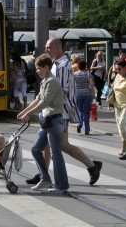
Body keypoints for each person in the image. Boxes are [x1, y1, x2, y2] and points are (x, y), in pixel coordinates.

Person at [26, 38, 102, 186]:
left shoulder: (64, 66)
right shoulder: (56, 64)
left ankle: (92, 166)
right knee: (48, 144)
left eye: (49, 47)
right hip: (52, 111)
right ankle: (44, 175)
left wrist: (44, 101)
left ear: (58, 48)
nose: (46, 49)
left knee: (61, 145)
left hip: (61, 111)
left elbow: (62, 89)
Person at [18, 54, 69, 193]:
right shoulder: (45, 80)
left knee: (55, 154)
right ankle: (45, 179)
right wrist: (25, 111)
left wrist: (28, 114)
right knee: (35, 150)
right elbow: (37, 99)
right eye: (37, 68)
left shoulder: (52, 81)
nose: (37, 71)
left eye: (39, 68)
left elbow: (44, 102)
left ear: (47, 67)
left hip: (54, 120)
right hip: (47, 121)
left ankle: (61, 186)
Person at [111, 59, 126, 156]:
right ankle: (123, 145)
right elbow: (114, 87)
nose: (117, 71)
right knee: (120, 127)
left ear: (125, 67)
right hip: (117, 104)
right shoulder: (117, 76)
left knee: (122, 124)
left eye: (119, 69)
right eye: (116, 69)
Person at [74, 60, 95, 135]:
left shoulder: (74, 74)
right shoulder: (88, 74)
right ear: (85, 66)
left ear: (78, 66)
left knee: (79, 110)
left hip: (78, 94)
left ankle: (79, 124)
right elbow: (91, 84)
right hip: (87, 94)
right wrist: (93, 93)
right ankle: (87, 129)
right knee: (86, 112)